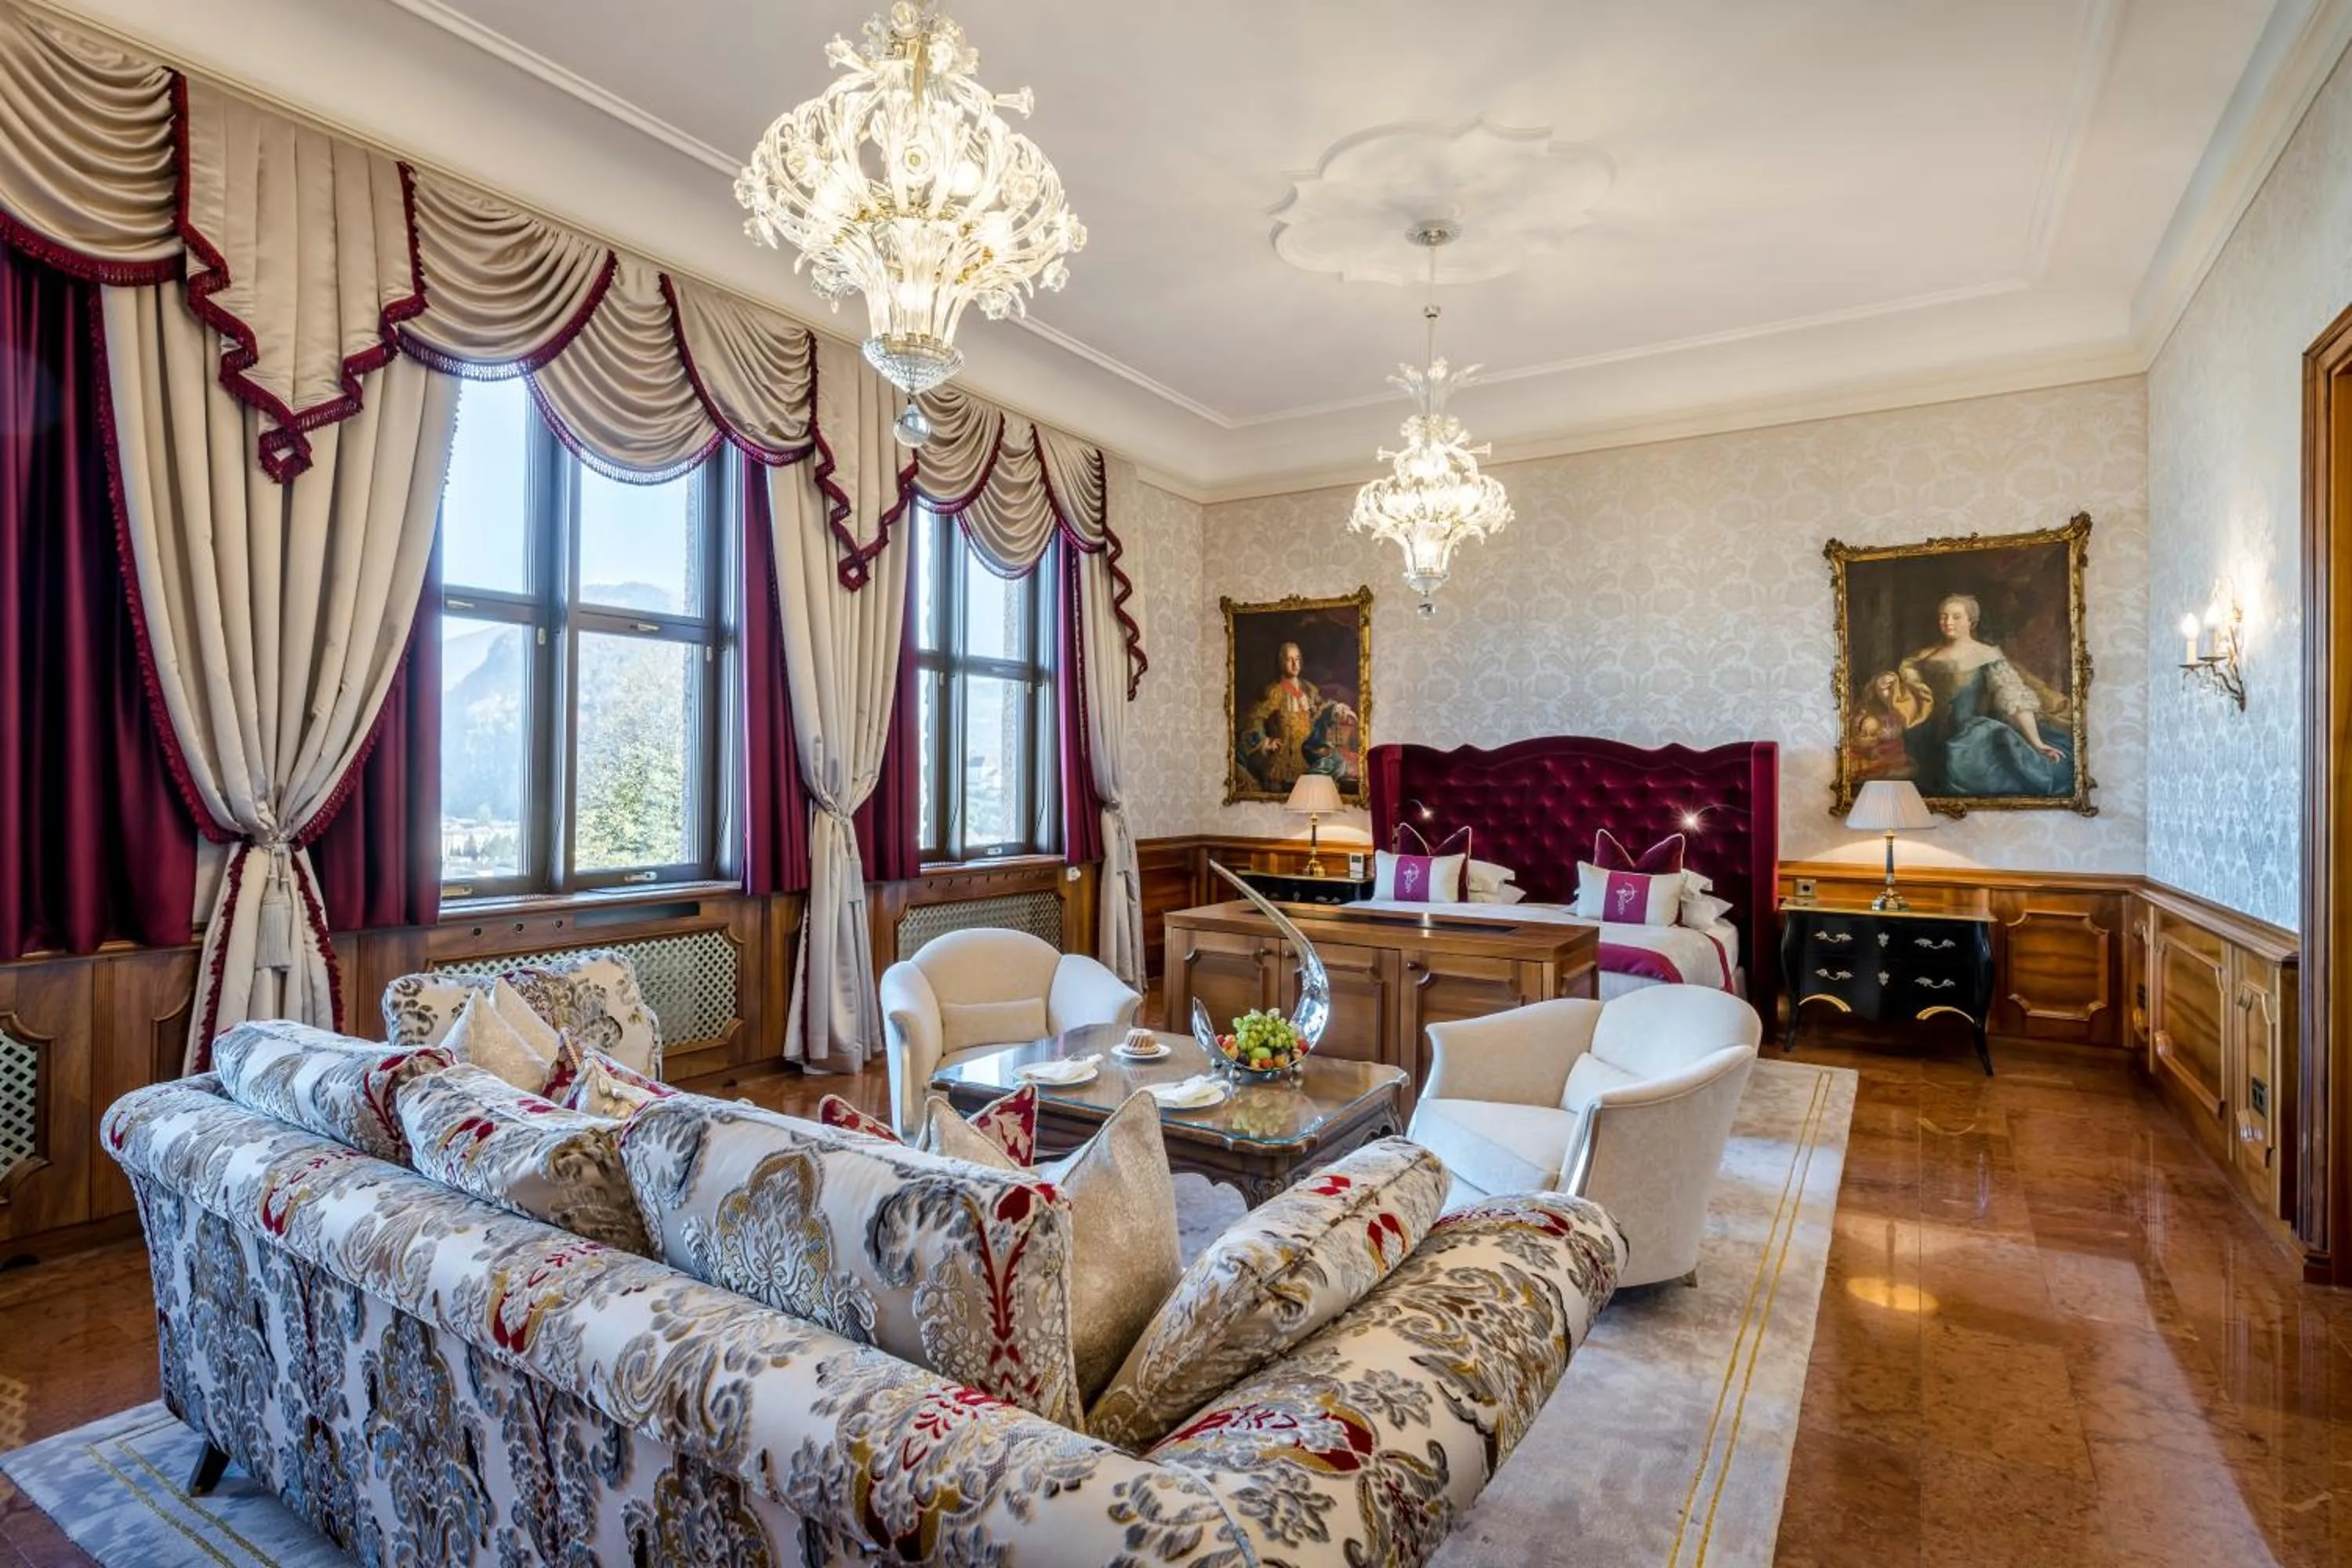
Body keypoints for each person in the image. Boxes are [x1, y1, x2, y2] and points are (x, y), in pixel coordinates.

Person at [1890, 593, 2074, 797]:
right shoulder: (1923, 659)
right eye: (1943, 616)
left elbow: (2014, 697)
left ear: (1971, 621)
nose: (1948, 622)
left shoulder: (1986, 655)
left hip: (1973, 740)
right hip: (1930, 740)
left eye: (1956, 616)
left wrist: (2037, 742)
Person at [1236, 641, 1358, 793]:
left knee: (1337, 765)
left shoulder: (1308, 689)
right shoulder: (1276, 692)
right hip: (1285, 760)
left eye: (1298, 659)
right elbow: (1254, 718)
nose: (1295, 664)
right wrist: (1265, 741)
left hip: (1308, 755)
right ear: (1281, 663)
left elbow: (1321, 708)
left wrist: (1338, 709)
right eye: (1290, 659)